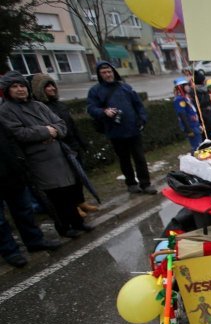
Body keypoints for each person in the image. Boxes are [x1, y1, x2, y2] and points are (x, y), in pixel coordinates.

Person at [1, 71, 90, 237]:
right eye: (15, 86)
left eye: (22, 86)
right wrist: (45, 131)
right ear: (7, 90)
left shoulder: (38, 105)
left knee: (69, 190)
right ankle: (64, 227)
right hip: (38, 160)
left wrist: (54, 131)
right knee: (55, 196)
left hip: (59, 156)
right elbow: (18, 133)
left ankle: (78, 222)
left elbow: (60, 124)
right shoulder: (6, 110)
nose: (20, 89)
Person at [31, 73, 97, 217]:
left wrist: (81, 142)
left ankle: (80, 201)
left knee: (78, 176)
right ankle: (73, 207)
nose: (51, 89)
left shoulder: (60, 105)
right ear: (40, 90)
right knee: (68, 180)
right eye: (47, 86)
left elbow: (71, 125)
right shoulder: (39, 108)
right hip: (59, 148)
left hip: (72, 145)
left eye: (52, 85)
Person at [87, 61, 155, 194]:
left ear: (114, 72)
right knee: (124, 160)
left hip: (133, 130)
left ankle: (145, 184)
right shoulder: (95, 91)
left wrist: (142, 119)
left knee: (140, 158)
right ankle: (131, 183)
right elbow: (91, 108)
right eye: (104, 73)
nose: (107, 75)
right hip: (115, 132)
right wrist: (104, 112)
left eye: (109, 72)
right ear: (100, 75)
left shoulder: (125, 87)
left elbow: (138, 105)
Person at [0, 119, 60, 267]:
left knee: (24, 210)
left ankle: (35, 241)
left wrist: (19, 162)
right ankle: (11, 252)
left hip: (12, 174)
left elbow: (11, 140)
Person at [172, 78, 204, 151]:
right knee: (197, 148)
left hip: (195, 125)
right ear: (180, 87)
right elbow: (182, 115)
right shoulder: (179, 99)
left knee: (200, 146)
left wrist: (198, 124)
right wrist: (188, 129)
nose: (188, 87)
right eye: (185, 85)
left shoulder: (186, 98)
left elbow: (192, 111)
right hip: (191, 126)